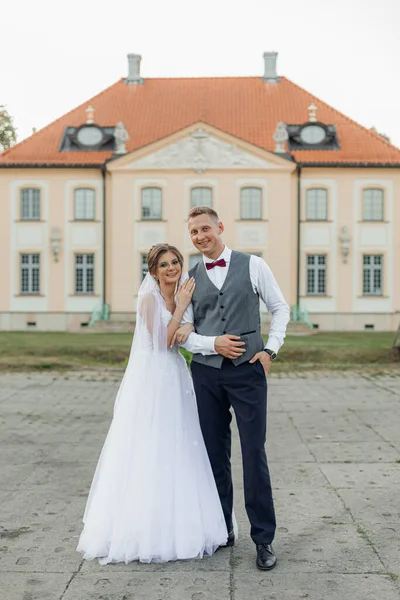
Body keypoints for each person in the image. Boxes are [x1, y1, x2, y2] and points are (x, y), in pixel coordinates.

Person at [77, 244, 228, 565]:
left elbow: (190, 329)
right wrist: (181, 309)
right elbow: (162, 340)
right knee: (152, 446)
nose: (172, 268)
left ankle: (185, 522)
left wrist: (186, 319)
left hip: (177, 376)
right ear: (154, 271)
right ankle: (146, 528)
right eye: (164, 264)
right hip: (153, 379)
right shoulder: (148, 299)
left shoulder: (187, 291)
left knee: (183, 445)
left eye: (175, 262)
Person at [173, 206, 291, 571]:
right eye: (193, 232)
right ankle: (222, 528)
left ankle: (263, 540)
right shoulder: (189, 277)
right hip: (207, 376)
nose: (200, 237)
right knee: (214, 455)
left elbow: (280, 307)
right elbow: (184, 333)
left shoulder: (253, 265)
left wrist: (271, 349)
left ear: (220, 228)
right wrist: (213, 345)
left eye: (205, 229)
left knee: (254, 454)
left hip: (249, 372)